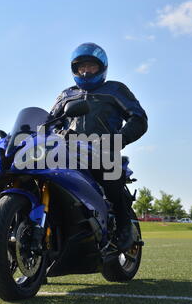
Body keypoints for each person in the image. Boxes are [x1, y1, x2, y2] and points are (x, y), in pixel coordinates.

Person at [48, 42, 148, 252]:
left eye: (90, 66)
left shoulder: (115, 89)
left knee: (110, 177)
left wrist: (118, 139)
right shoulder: (66, 95)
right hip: (68, 151)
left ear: (102, 67)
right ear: (74, 70)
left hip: (102, 150)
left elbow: (138, 118)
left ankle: (124, 228)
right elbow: (49, 121)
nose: (85, 71)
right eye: (81, 67)